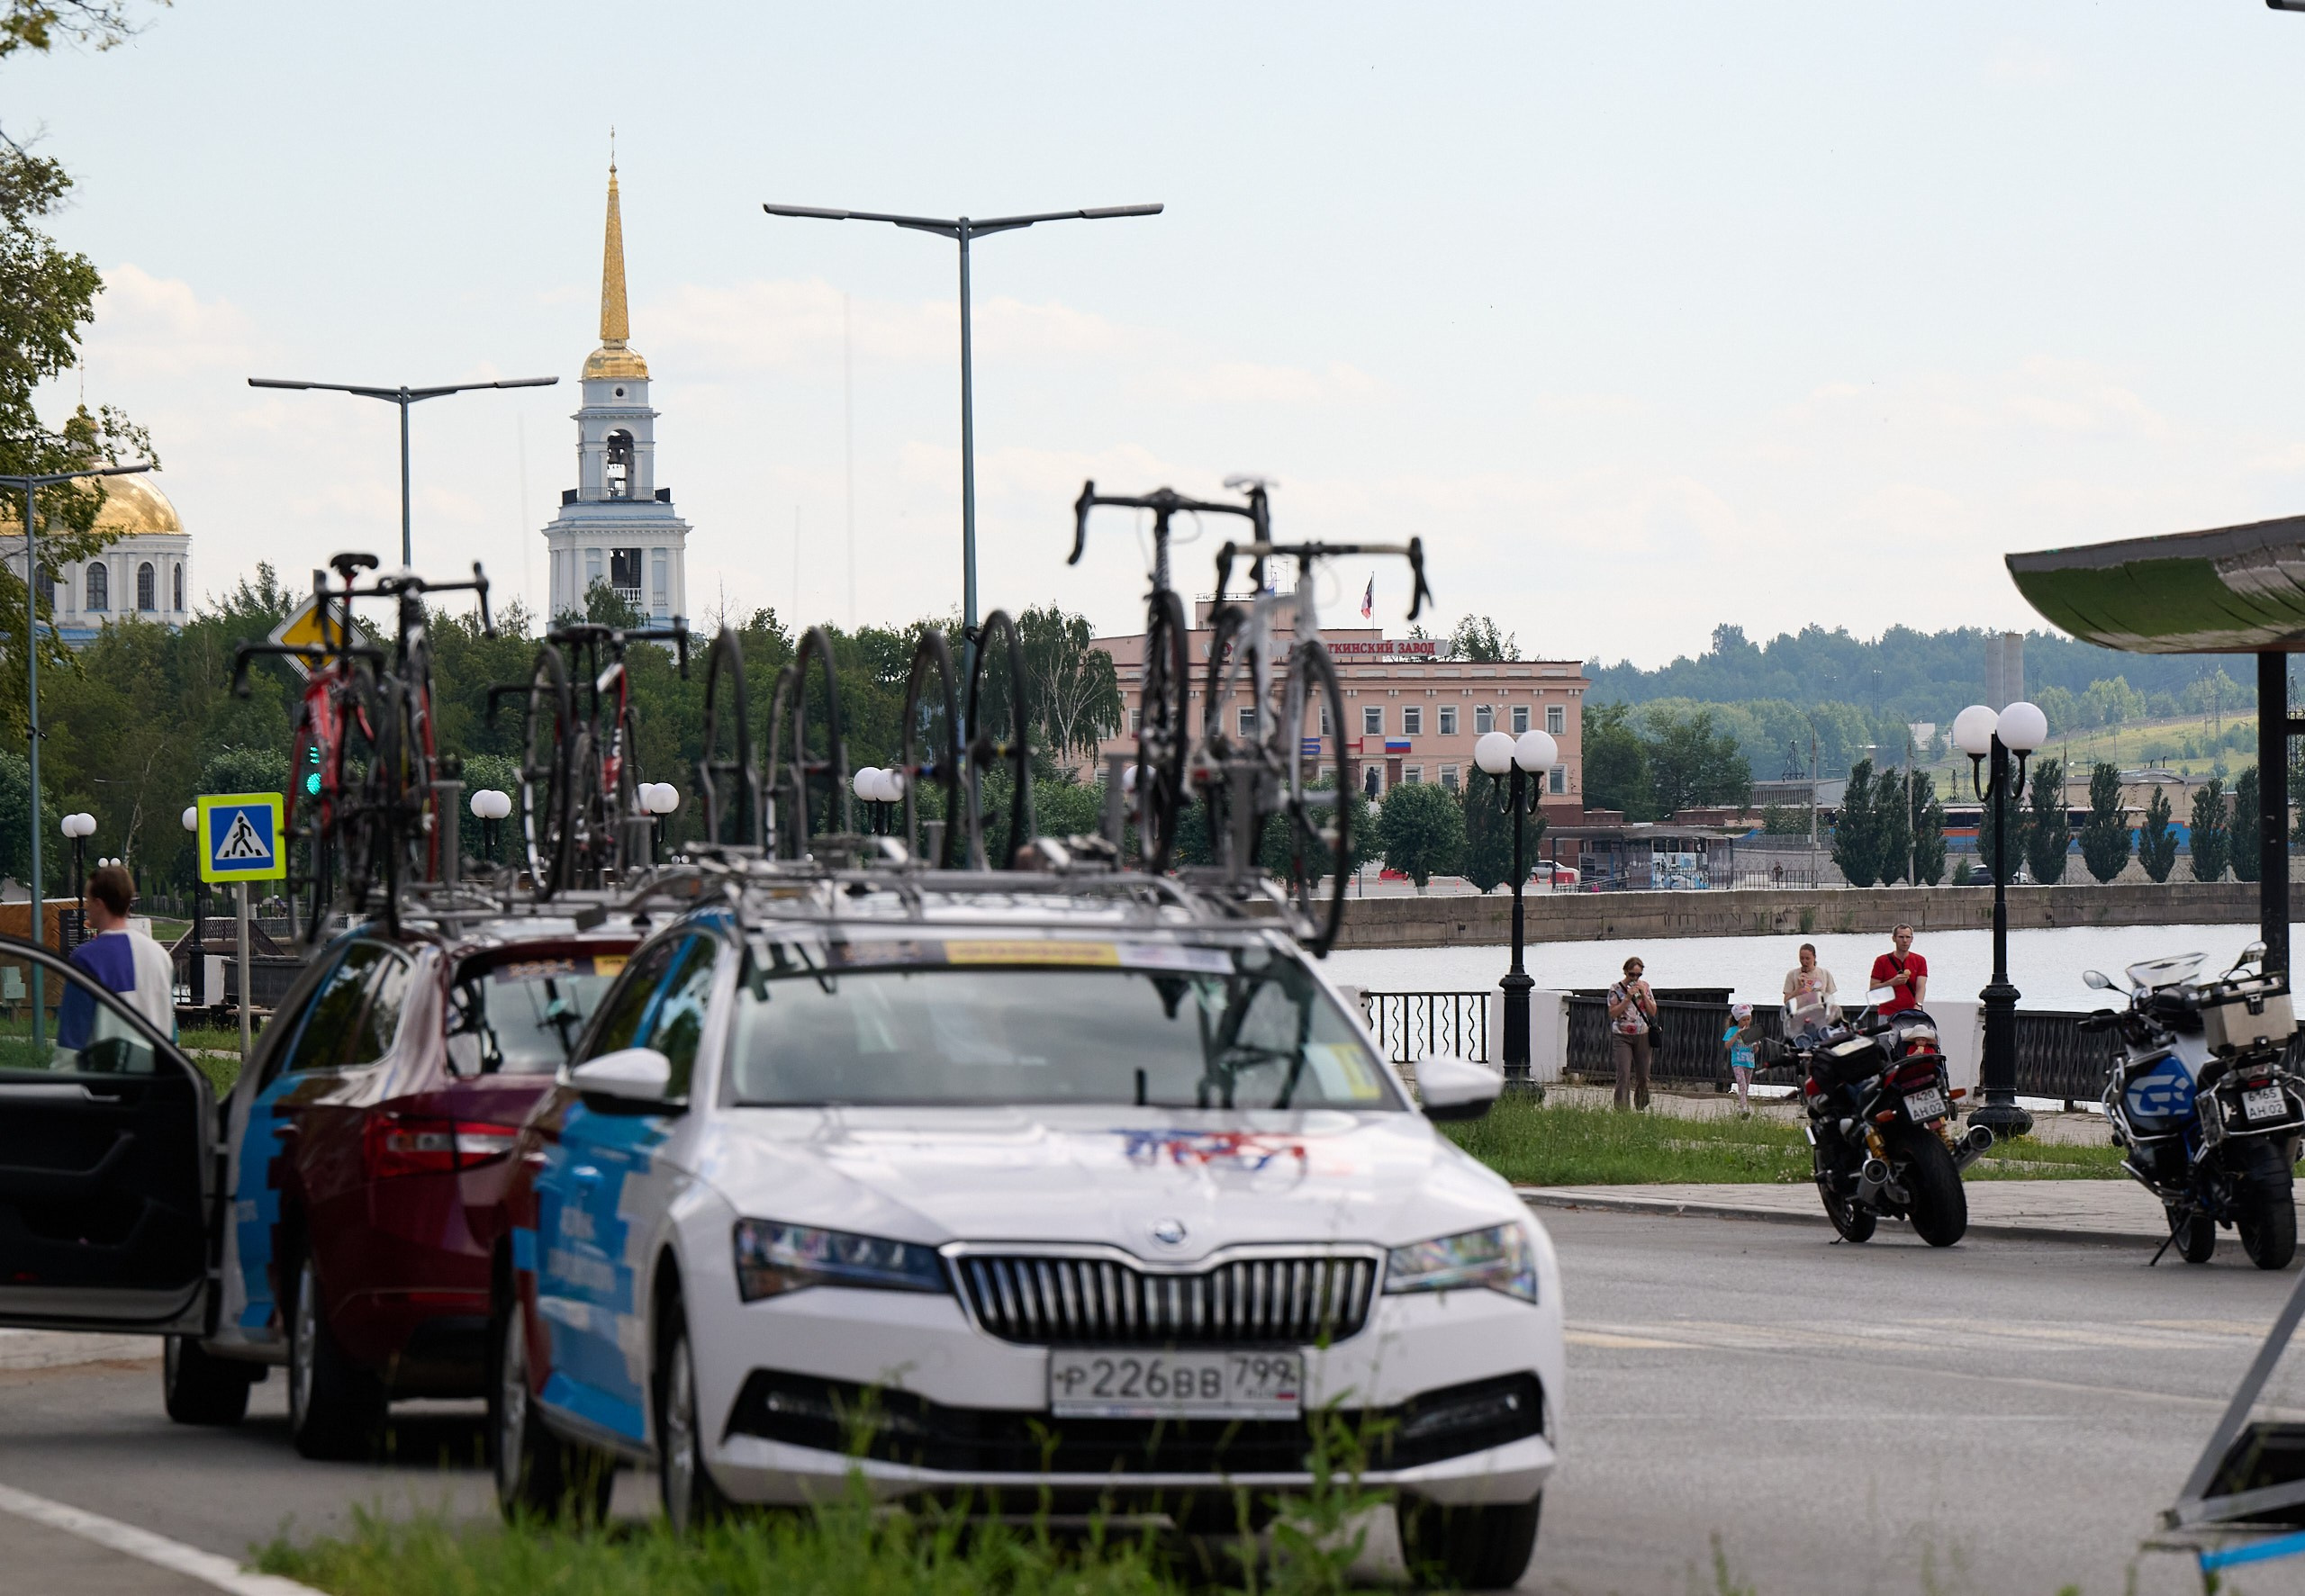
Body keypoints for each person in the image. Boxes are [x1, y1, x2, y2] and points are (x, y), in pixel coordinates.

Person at [58, 863, 176, 1048]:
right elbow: (171, 1030)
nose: (86, 908)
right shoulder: (160, 955)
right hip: (158, 1073)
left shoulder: (86, 959)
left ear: (99, 904)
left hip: (109, 1075)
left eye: (88, 901)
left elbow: (71, 1042)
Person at [1607, 955, 1655, 1111]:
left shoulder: (1645, 987)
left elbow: (1653, 1011)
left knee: (1643, 1075)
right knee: (1623, 1073)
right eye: (1632, 974)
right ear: (1625, 972)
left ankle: (1641, 1105)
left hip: (1643, 1035)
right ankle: (1622, 1109)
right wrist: (1627, 998)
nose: (1635, 978)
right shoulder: (1615, 988)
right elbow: (1613, 1013)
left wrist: (1644, 995)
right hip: (1622, 1035)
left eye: (1638, 975)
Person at [1781, 942, 1839, 1038]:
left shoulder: (1824, 973)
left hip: (1820, 1019)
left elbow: (1830, 998)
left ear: (1814, 957)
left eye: (1807, 959)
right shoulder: (1792, 975)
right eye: (1801, 958)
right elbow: (1786, 1001)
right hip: (1800, 1019)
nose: (1804, 962)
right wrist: (1798, 989)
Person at [1869, 924, 1928, 1018]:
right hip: (1887, 1013)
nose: (1905, 941)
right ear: (1894, 939)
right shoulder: (1882, 961)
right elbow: (1872, 988)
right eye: (1901, 937)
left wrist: (1918, 1005)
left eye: (1908, 937)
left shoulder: (1920, 960)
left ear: (1912, 939)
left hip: (1911, 1013)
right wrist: (1891, 982)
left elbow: (1921, 987)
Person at [1722, 1002, 1758, 1116]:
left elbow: (1755, 1051)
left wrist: (1756, 1044)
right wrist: (1736, 1036)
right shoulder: (1732, 1030)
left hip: (1750, 1063)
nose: (1747, 1022)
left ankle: (1742, 1105)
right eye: (1744, 1020)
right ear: (1738, 1020)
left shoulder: (1751, 1031)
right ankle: (1744, 1108)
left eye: (1748, 1019)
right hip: (1737, 1062)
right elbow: (1727, 1045)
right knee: (1741, 1084)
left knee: (1746, 1086)